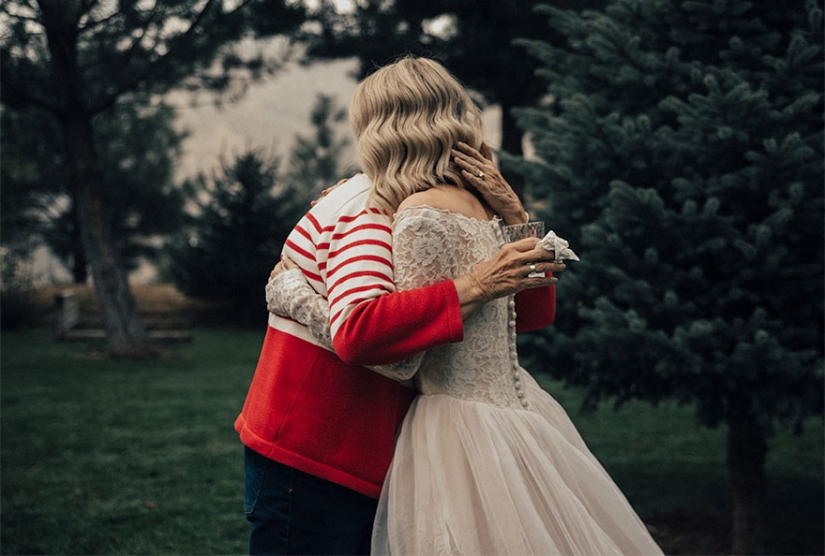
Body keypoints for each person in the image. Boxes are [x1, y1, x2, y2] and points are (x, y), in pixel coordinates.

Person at [265, 56, 664, 555]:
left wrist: (299, 297)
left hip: (452, 424)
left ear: (378, 127)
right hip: (519, 415)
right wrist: (514, 216)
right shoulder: (477, 201)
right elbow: (537, 316)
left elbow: (385, 348)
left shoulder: (402, 211)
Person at [235, 57, 562, 555]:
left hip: (395, 446)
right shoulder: (367, 207)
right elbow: (362, 333)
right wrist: (476, 284)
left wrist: (516, 215)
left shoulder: (457, 203)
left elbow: (531, 315)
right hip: (318, 448)